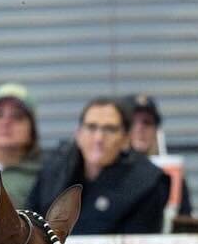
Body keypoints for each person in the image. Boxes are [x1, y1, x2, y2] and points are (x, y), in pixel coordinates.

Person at [26, 97, 170, 235]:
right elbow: (30, 227)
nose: (98, 138)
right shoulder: (53, 171)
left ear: (125, 139)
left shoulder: (146, 182)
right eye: (91, 127)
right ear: (78, 134)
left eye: (110, 129)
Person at [126, 93, 192, 216]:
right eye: (132, 122)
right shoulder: (108, 171)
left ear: (156, 131)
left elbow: (184, 217)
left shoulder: (171, 172)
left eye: (147, 123)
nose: (140, 128)